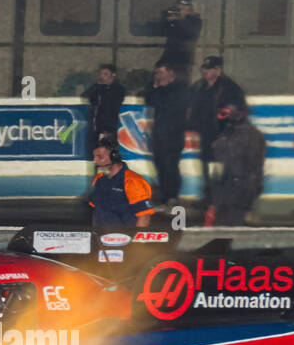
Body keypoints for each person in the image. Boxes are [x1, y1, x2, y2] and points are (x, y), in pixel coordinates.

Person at [187, 56, 246, 205]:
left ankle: (224, 199)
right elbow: (191, 107)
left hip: (224, 135)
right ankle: (209, 199)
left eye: (209, 69)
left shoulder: (230, 88)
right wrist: (192, 125)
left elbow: (238, 109)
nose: (205, 71)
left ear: (219, 70)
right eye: (204, 68)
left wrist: (226, 126)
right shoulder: (199, 87)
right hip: (206, 134)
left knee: (224, 166)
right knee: (206, 166)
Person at [210, 101, 266, 226]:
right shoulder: (251, 135)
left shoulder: (227, 135)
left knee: (229, 223)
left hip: (236, 191)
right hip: (233, 191)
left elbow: (254, 168)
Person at [147, 62, 189, 209]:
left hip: (174, 134)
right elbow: (149, 101)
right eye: (157, 73)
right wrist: (155, 87)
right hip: (159, 133)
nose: (159, 76)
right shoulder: (158, 88)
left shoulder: (180, 87)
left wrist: (162, 88)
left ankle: (172, 197)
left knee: (171, 165)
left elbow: (173, 105)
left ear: (171, 73)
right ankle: (164, 198)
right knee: (160, 166)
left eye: (162, 72)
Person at [88, 140, 154, 229]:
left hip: (125, 235)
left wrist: (135, 237)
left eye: (100, 157)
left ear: (114, 157)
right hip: (103, 234)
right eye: (94, 157)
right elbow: (95, 212)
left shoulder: (133, 181)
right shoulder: (99, 179)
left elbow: (144, 217)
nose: (95, 161)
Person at [82, 63, 126, 147]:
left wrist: (103, 88)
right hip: (98, 124)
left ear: (113, 75)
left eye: (105, 74)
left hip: (110, 125)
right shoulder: (98, 88)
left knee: (108, 148)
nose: (102, 77)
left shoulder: (118, 89)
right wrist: (97, 87)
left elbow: (112, 104)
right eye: (101, 74)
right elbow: (86, 96)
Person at [158, 0, 202, 76]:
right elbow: (162, 27)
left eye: (185, 7)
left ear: (190, 8)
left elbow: (190, 33)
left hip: (184, 59)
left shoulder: (196, 20)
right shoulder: (175, 20)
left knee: (180, 79)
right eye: (180, 7)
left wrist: (181, 19)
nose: (182, 9)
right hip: (169, 57)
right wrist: (169, 17)